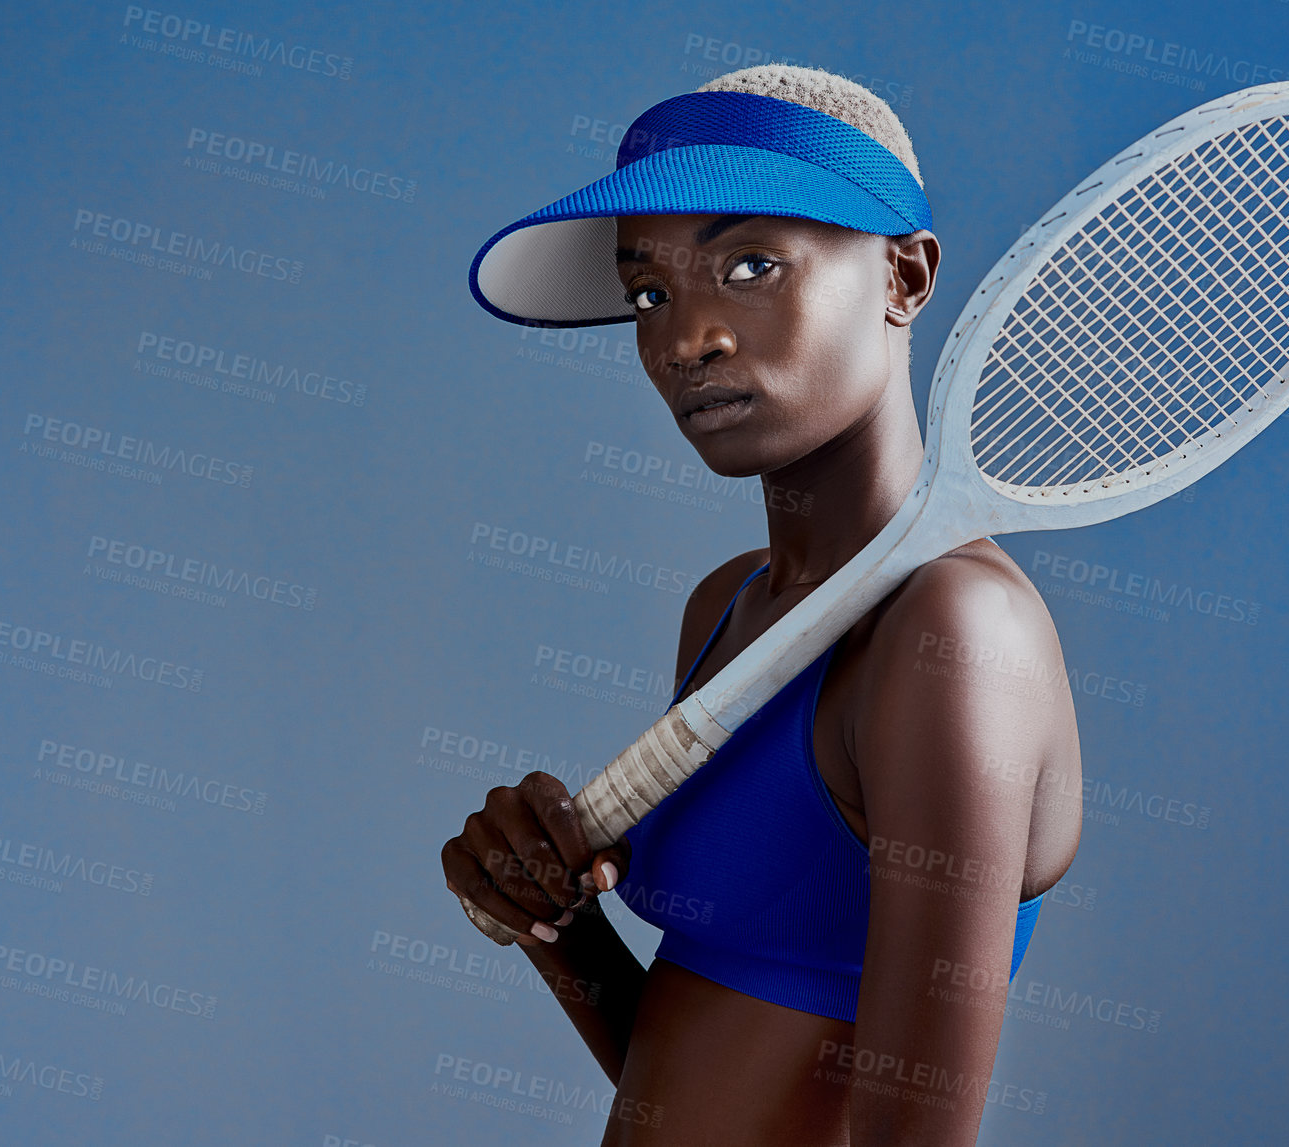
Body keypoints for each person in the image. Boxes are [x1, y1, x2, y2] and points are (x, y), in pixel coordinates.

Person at [443, 64, 1082, 1146]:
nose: (681, 339)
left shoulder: (954, 638)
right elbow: (706, 1067)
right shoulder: (723, 606)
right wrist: (556, 924)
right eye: (649, 291)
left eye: (748, 265)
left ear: (904, 277)